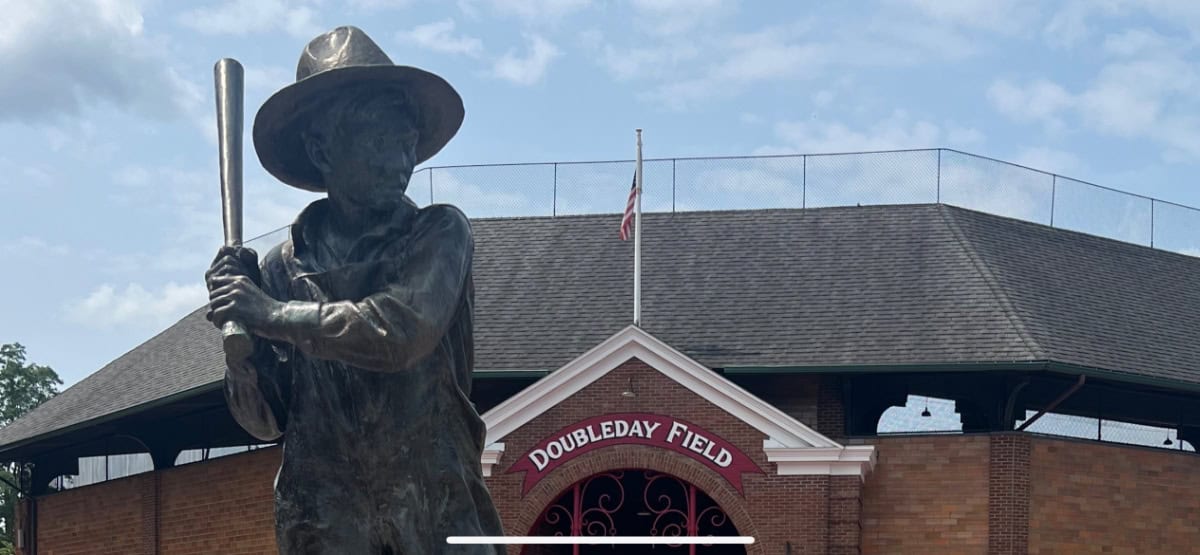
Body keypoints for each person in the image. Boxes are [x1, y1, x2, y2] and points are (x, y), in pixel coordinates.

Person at [205, 26, 503, 554]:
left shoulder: (437, 234)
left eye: (407, 142)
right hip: (325, 522)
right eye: (380, 142)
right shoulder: (282, 268)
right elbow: (266, 421)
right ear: (322, 150)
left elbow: (401, 330)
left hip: (433, 516)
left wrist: (269, 313)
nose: (402, 162)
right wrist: (241, 341)